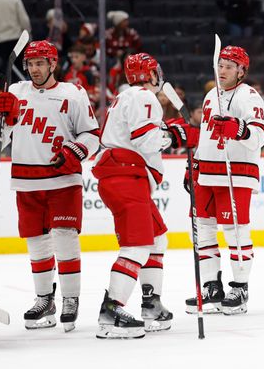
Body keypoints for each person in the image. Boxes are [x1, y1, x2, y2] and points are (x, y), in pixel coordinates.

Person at [0, 40, 101, 332]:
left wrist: (75, 152)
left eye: (40, 63)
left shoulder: (73, 93)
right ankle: (45, 299)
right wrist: (5, 118)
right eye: (30, 64)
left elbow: (92, 135)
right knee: (36, 241)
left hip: (63, 179)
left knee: (65, 236)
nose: (34, 69)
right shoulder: (15, 92)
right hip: (26, 180)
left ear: (53, 64)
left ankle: (70, 299)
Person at [93, 53, 191, 338]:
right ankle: (111, 311)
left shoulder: (126, 97)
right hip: (126, 176)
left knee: (158, 238)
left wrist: (170, 129)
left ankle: (151, 304)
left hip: (125, 176)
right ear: (150, 75)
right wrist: (175, 137)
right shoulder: (144, 97)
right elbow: (145, 140)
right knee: (137, 246)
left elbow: (139, 133)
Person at [185, 45, 264, 315]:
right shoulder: (212, 94)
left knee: (234, 230)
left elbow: (260, 136)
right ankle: (211, 287)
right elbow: (207, 136)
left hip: (237, 173)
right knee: (203, 228)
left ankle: (240, 288)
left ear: (241, 71)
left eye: (229, 67)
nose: (222, 71)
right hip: (207, 171)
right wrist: (194, 164)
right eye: (220, 65)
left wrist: (239, 129)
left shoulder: (250, 97)